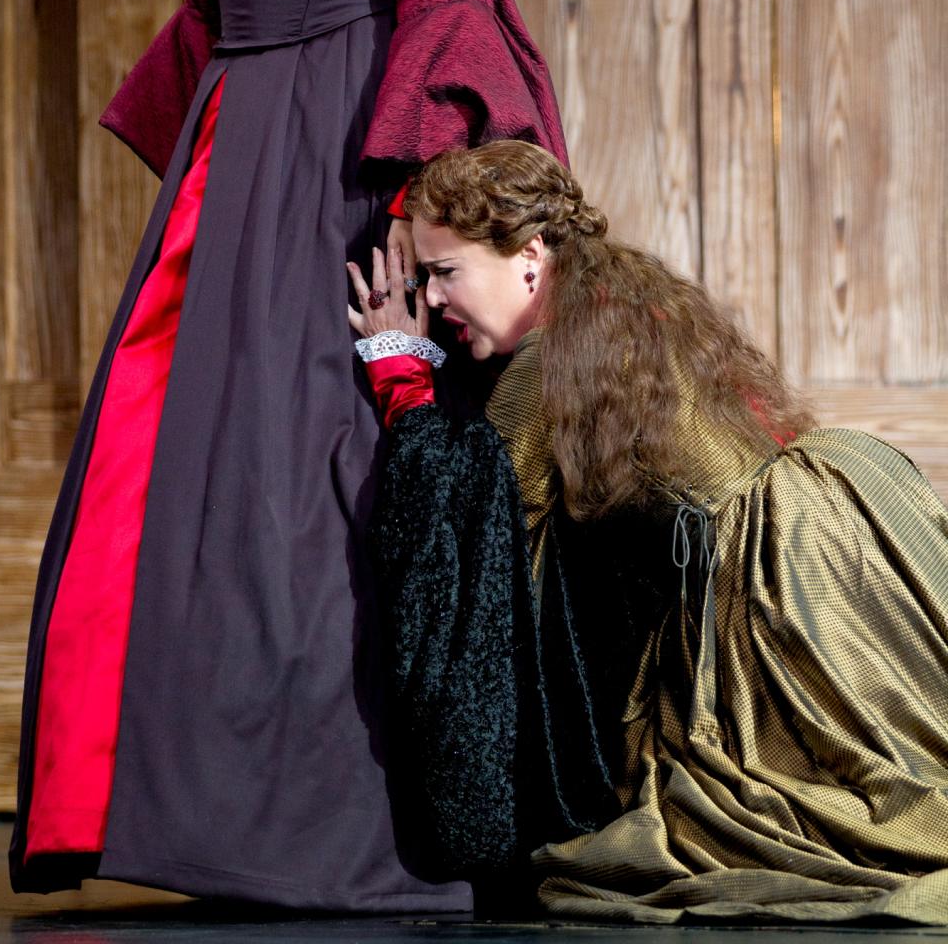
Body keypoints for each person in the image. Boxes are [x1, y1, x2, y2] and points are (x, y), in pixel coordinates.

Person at [10, 0, 567, 910]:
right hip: (235, 159)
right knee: (191, 474)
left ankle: (345, 835)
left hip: (342, 158)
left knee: (322, 475)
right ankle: (185, 820)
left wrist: (422, 208)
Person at [349, 139, 948, 926]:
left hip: (780, 597)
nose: (434, 298)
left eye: (444, 272)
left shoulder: (548, 366)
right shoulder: (625, 309)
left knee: (818, 817)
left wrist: (403, 373)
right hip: (839, 523)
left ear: (529, 257)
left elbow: (472, 533)